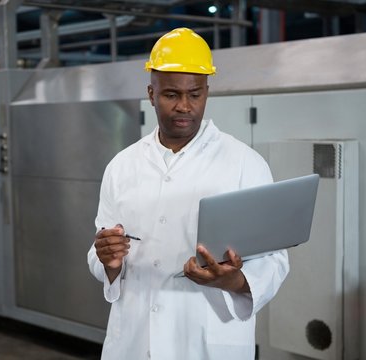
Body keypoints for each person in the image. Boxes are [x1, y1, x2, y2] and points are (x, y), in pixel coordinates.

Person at [87, 28, 290, 359]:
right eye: (170, 95)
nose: (184, 106)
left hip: (208, 338)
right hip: (137, 340)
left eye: (194, 94)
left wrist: (235, 281)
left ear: (207, 92)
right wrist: (107, 260)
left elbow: (274, 259)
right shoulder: (122, 166)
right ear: (151, 94)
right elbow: (103, 253)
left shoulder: (244, 163)